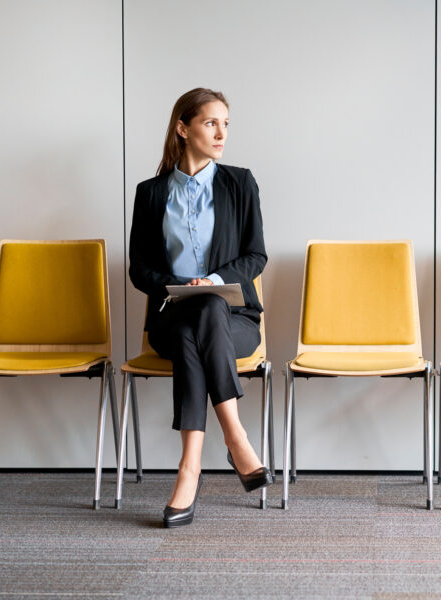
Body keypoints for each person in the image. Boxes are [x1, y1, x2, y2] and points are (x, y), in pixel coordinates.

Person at [129, 88, 272, 528]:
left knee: (208, 308)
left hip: (236, 321)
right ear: (183, 128)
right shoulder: (151, 193)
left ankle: (189, 468)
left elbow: (255, 256)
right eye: (211, 122)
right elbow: (140, 268)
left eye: (225, 124)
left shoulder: (239, 182)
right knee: (196, 317)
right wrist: (176, 286)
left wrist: (210, 282)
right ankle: (236, 436)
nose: (221, 132)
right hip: (172, 319)